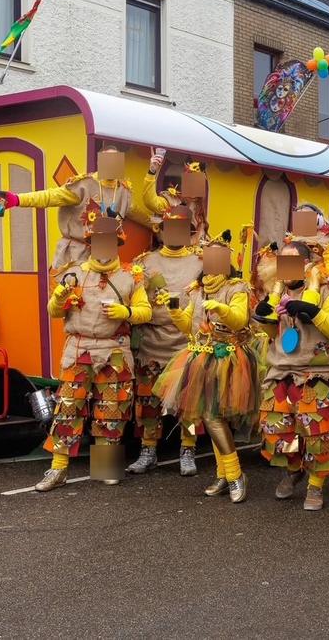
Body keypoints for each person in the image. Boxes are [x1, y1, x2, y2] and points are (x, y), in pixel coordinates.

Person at [35, 215, 152, 492]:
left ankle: (105, 468)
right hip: (79, 350)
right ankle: (58, 469)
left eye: (109, 242)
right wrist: (60, 297)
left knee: (111, 410)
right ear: (90, 243)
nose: (103, 246)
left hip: (115, 351)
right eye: (98, 241)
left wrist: (127, 312)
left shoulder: (131, 274)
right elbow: (53, 312)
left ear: (117, 244)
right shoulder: (73, 271)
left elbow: (146, 311)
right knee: (67, 409)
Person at [153, 234, 256, 503]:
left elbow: (239, 320)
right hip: (200, 356)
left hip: (228, 358)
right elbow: (188, 325)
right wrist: (173, 306)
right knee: (210, 417)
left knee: (213, 417)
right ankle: (225, 474)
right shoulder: (197, 289)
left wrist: (222, 308)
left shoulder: (237, 288)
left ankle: (235, 475)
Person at [255, 241, 329, 511]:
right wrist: (263, 319)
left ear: (308, 264)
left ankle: (316, 485)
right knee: (277, 430)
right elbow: (274, 336)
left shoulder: (328, 294)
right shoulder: (276, 292)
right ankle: (294, 470)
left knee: (317, 434)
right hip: (281, 369)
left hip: (317, 371)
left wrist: (315, 313)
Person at [127, 198, 203, 476]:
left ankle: (188, 448)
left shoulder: (201, 261)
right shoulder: (144, 263)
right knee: (148, 402)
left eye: (181, 227)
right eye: (170, 227)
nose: (175, 232)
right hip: (151, 344)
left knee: (190, 406)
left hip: (187, 345)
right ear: (161, 230)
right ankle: (148, 450)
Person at [0, 146, 133, 270]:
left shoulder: (125, 191)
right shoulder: (83, 185)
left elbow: (135, 210)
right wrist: (17, 199)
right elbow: (51, 196)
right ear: (99, 162)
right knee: (69, 297)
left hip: (106, 256)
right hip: (76, 253)